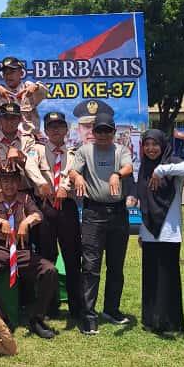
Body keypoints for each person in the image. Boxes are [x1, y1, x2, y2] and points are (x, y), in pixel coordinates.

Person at [67, 110, 133, 335]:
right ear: (93, 133)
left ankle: (111, 310)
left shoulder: (121, 150)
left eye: (107, 131)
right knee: (91, 267)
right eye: (99, 131)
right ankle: (88, 316)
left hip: (118, 214)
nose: (103, 135)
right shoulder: (85, 150)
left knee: (116, 266)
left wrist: (117, 174)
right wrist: (77, 177)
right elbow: (73, 171)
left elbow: (128, 167)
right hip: (94, 214)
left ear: (114, 133)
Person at [0, 163, 58, 339]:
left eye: (13, 181)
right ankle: (3, 319)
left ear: (19, 182)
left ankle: (37, 318)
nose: (9, 185)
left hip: (22, 249)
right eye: (5, 181)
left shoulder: (25, 199)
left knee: (50, 271)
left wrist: (26, 222)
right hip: (0, 248)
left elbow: (38, 215)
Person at [24, 111, 83, 322]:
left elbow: (77, 172)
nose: (56, 129)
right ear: (45, 130)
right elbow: (30, 166)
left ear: (66, 129)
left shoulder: (75, 153)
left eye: (60, 126)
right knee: (47, 258)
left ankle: (77, 306)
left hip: (66, 208)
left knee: (72, 258)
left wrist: (65, 186)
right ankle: (49, 305)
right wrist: (41, 183)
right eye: (51, 127)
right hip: (45, 207)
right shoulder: (37, 150)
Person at [136, 129, 184, 334]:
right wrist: (142, 234)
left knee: (168, 277)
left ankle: (171, 323)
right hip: (149, 231)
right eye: (147, 145)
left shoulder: (173, 164)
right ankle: (152, 321)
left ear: (163, 145)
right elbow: (144, 203)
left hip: (169, 231)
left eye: (155, 144)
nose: (151, 149)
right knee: (151, 277)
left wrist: (162, 170)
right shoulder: (143, 168)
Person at [0, 101, 36, 193]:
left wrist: (20, 156)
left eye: (13, 118)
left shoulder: (28, 140)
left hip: (23, 192)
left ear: (20, 120)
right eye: (5, 118)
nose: (9, 122)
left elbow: (34, 165)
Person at [0, 56, 48, 136]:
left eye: (12, 72)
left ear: (21, 73)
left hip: (28, 137)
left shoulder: (28, 87)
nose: (8, 76)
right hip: (5, 138)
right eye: (5, 73)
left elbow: (44, 90)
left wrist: (36, 86)